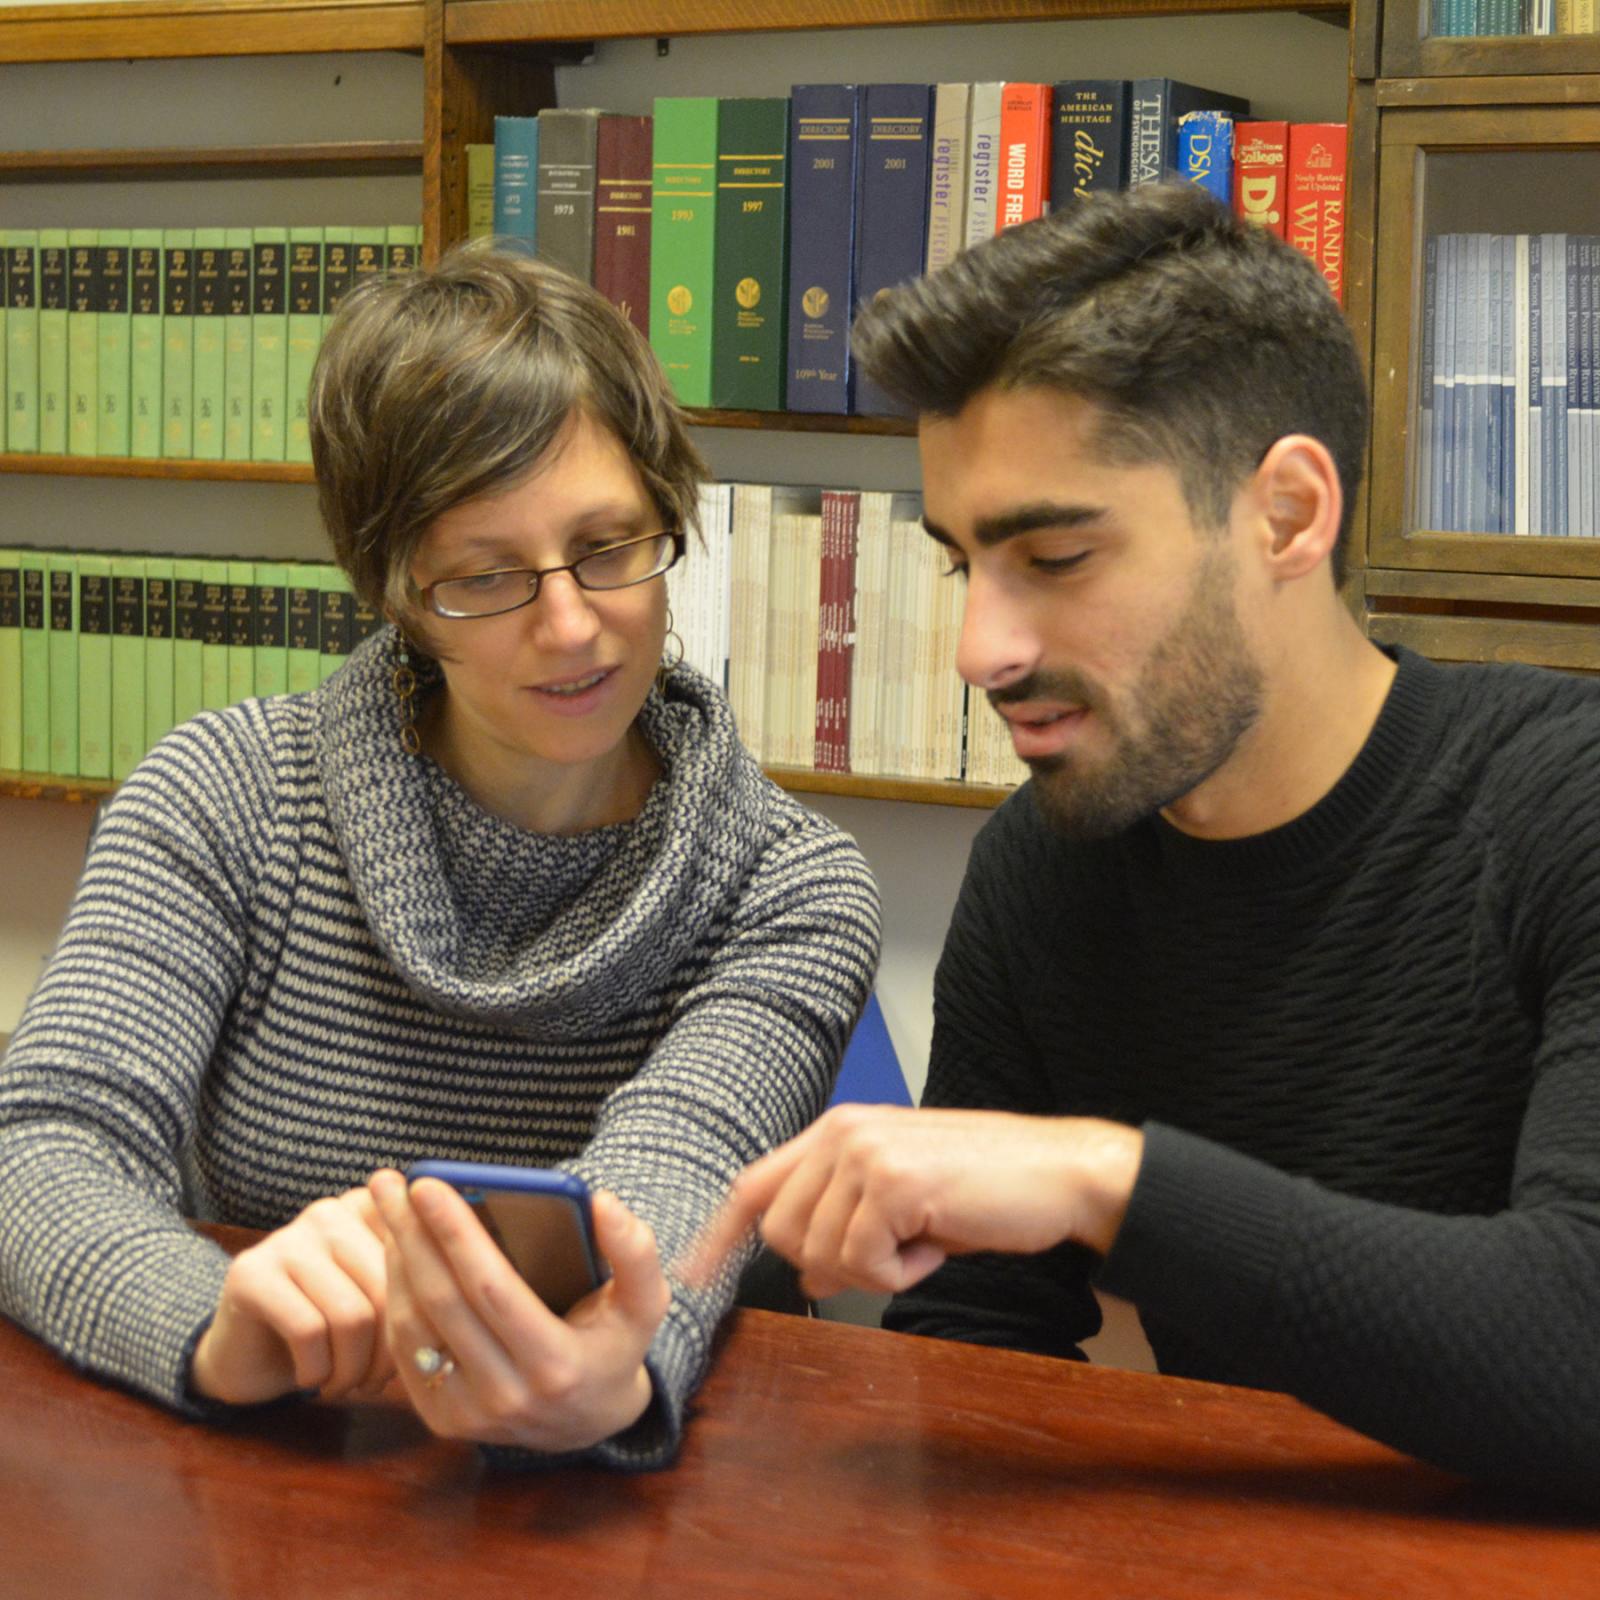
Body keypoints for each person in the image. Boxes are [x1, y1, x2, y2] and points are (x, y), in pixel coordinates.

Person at [692, 183, 1600, 1502]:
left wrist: (1103, 1180)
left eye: (1054, 557)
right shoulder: (1046, 869)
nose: (980, 652)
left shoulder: (1566, 808)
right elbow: (979, 1364)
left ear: (1286, 516)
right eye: (961, 565)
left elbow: (1578, 1351)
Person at [0, 245, 879, 1468]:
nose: (570, 624)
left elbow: (667, 1199)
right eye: (484, 576)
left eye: (610, 547)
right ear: (395, 592)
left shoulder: (787, 887)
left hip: (630, 1515)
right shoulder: (226, 796)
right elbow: (46, 1141)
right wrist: (211, 1327)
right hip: (282, 1469)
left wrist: (609, 1376)